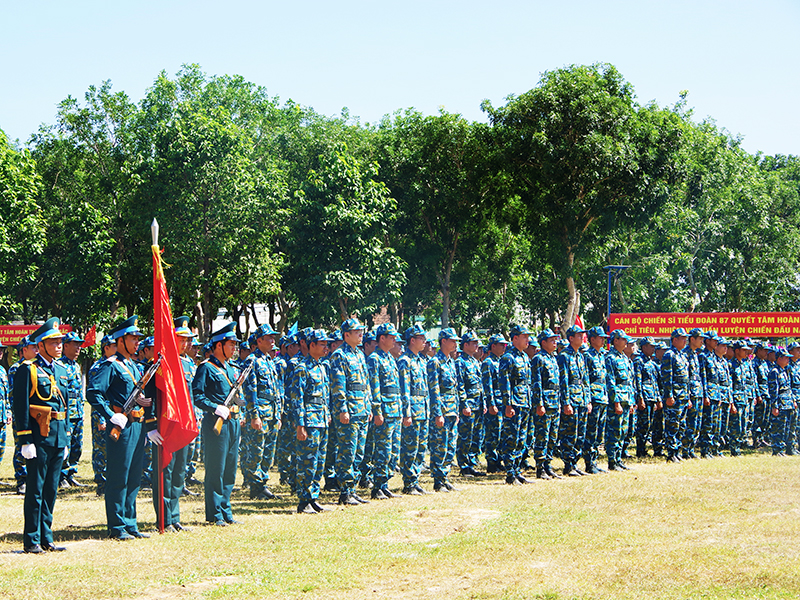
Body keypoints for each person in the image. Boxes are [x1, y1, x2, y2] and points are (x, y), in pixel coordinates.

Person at [86, 316, 154, 540]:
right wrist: (111, 416)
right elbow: (94, 393)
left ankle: (130, 523)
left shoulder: (134, 366)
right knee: (119, 476)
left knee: (135, 475)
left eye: (137, 339)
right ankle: (116, 526)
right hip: (121, 428)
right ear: (121, 340)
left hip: (136, 426)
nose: (137, 343)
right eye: (133, 339)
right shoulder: (110, 365)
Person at [12, 318, 70, 553]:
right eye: (53, 342)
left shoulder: (61, 370)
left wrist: (65, 438)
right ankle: (32, 539)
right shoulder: (28, 369)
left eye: (59, 342)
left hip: (57, 436)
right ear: (41, 345)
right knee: (35, 489)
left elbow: (63, 407)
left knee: (51, 489)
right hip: (38, 437)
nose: (58, 345)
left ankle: (47, 537)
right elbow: (21, 406)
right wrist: (25, 439)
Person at [193, 322, 242, 526]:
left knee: (230, 468)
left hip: (233, 423)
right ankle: (215, 513)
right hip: (216, 424)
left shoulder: (231, 368)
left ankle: (226, 509)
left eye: (235, 345)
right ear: (218, 345)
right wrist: (215, 408)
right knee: (216, 468)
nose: (234, 348)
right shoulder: (206, 368)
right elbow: (197, 395)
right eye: (230, 344)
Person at [151, 316, 197, 532]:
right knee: (166, 471)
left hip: (183, 424)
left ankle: (175, 516)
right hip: (167, 425)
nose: (186, 344)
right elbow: (153, 394)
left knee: (180, 471)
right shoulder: (162, 364)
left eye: (188, 340)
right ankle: (164, 518)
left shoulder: (188, 363)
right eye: (182, 339)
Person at [330, 318, 373, 505]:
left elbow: (365, 384)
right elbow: (339, 387)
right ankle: (345, 491)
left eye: (361, 331)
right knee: (347, 451)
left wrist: (369, 406)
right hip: (349, 412)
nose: (361, 334)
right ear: (346, 335)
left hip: (362, 410)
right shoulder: (339, 355)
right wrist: (343, 409)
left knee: (359, 453)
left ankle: (353, 489)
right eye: (357, 331)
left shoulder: (360, 355)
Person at [292, 329, 333, 513]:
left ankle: (313, 497)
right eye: (322, 344)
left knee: (319, 461)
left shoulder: (322, 367)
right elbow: (297, 398)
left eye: (327, 344)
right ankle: (303, 500)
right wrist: (300, 425)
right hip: (309, 422)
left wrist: (328, 414)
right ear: (312, 346)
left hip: (322, 420)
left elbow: (325, 395)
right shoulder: (302, 368)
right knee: (307, 461)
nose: (326, 347)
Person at [242, 323, 283, 500]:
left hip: (272, 414)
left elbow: (276, 390)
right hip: (260, 414)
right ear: (259, 341)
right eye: (269, 338)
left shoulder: (269, 361)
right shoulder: (252, 361)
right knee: (256, 451)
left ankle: (263, 484)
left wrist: (278, 414)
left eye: (273, 338)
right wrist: (254, 415)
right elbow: (250, 391)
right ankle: (255, 487)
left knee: (268, 452)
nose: (273, 341)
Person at [366, 323, 403, 499]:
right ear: (382, 338)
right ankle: (377, 486)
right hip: (385, 411)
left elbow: (396, 388)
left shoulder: (390, 358)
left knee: (393, 451)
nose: (395, 340)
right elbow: (374, 387)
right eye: (392, 337)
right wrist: (377, 410)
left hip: (395, 410)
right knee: (382, 449)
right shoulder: (374, 359)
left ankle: (385, 483)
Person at [427, 327, 462, 492]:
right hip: (442, 411)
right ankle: (438, 480)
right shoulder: (435, 362)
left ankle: (445, 477)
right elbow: (434, 390)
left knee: (450, 446)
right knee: (440, 445)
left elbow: (455, 389)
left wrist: (457, 411)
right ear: (444, 342)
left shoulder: (451, 362)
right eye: (453, 340)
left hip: (452, 410)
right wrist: (437, 413)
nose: (455, 344)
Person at [397, 324, 430, 495]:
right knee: (410, 447)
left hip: (423, 410)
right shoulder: (405, 361)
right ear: (412, 340)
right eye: (421, 338)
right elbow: (405, 389)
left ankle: (415, 480)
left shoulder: (421, 360)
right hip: (413, 412)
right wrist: (407, 413)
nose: (424, 341)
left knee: (421, 447)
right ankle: (408, 482)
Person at [557, 325, 589, 476]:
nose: (582, 337)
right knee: (570, 433)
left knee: (580, 434)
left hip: (581, 399)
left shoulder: (580, 356)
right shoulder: (564, 356)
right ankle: (568, 465)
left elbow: (585, 381)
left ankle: (575, 463)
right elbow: (563, 381)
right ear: (571, 338)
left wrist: (588, 400)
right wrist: (566, 402)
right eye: (579, 335)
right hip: (572, 400)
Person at [87, 335, 116, 496]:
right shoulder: (98, 367)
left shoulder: (116, 365)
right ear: (106, 348)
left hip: (113, 414)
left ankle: (110, 481)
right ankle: (101, 483)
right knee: (101, 449)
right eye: (114, 345)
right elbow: (96, 396)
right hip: (103, 415)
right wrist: (100, 418)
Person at [531, 329, 562, 479]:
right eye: (552, 340)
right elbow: (537, 384)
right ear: (543, 342)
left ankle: (548, 465)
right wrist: (539, 404)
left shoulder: (553, 358)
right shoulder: (538, 359)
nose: (555, 343)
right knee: (542, 436)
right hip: (545, 403)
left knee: (553, 436)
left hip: (555, 402)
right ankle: (540, 467)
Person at [9, 335, 38, 495]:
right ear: (23, 350)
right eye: (33, 348)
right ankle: (21, 479)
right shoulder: (17, 368)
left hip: (35, 415)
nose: (36, 350)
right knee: (21, 445)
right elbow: (16, 396)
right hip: (21, 414)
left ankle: (31, 478)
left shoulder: (35, 367)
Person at [455, 331, 486, 477]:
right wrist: (464, 404)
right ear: (465, 345)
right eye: (473, 343)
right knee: (465, 436)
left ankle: (472, 463)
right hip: (468, 405)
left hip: (478, 404)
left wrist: (483, 402)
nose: (477, 345)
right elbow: (460, 385)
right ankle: (464, 465)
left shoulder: (475, 361)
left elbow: (480, 385)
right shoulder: (460, 363)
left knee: (476, 436)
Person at [57, 331, 86, 488]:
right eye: (75, 344)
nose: (78, 348)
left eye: (79, 345)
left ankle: (71, 473)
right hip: (67, 414)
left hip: (78, 413)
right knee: (65, 445)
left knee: (77, 446)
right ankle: (61, 475)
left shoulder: (76, 366)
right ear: (65, 346)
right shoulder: (59, 366)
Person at [605, 330, 634, 471]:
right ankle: (612, 460)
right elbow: (610, 382)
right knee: (614, 431)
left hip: (626, 400)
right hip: (617, 401)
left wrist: (632, 401)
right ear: (615, 341)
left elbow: (629, 382)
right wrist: (616, 402)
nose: (626, 342)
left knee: (623, 431)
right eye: (623, 339)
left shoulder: (625, 358)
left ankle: (619, 459)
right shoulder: (610, 358)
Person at [661, 328, 691, 463]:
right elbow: (667, 377)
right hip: (674, 396)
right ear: (675, 340)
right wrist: (669, 395)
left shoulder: (683, 355)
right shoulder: (669, 355)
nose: (685, 340)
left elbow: (686, 378)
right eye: (682, 338)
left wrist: (688, 396)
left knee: (681, 425)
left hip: (683, 396)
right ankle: (671, 453)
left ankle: (677, 450)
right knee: (672, 424)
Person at [583, 327, 608, 474]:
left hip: (602, 397)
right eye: (600, 337)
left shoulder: (601, 355)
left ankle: (595, 461)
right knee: (591, 432)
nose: (603, 340)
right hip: (594, 397)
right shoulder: (588, 356)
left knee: (599, 433)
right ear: (592, 339)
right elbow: (586, 380)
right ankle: (589, 463)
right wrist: (588, 400)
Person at [481, 334, 508, 474]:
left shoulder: (501, 361)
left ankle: (499, 460)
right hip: (495, 403)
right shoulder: (488, 363)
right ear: (493, 346)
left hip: (502, 402)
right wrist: (491, 404)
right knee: (493, 434)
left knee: (502, 433)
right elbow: (488, 385)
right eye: (501, 344)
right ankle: (491, 461)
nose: (504, 346)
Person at [768, 348, 796, 456]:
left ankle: (783, 448)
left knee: (786, 428)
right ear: (779, 358)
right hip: (780, 404)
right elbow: (773, 391)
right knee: (778, 427)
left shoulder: (785, 370)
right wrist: (774, 406)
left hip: (788, 403)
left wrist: (793, 400)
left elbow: (789, 387)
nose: (788, 360)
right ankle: (777, 450)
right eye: (786, 358)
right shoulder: (774, 372)